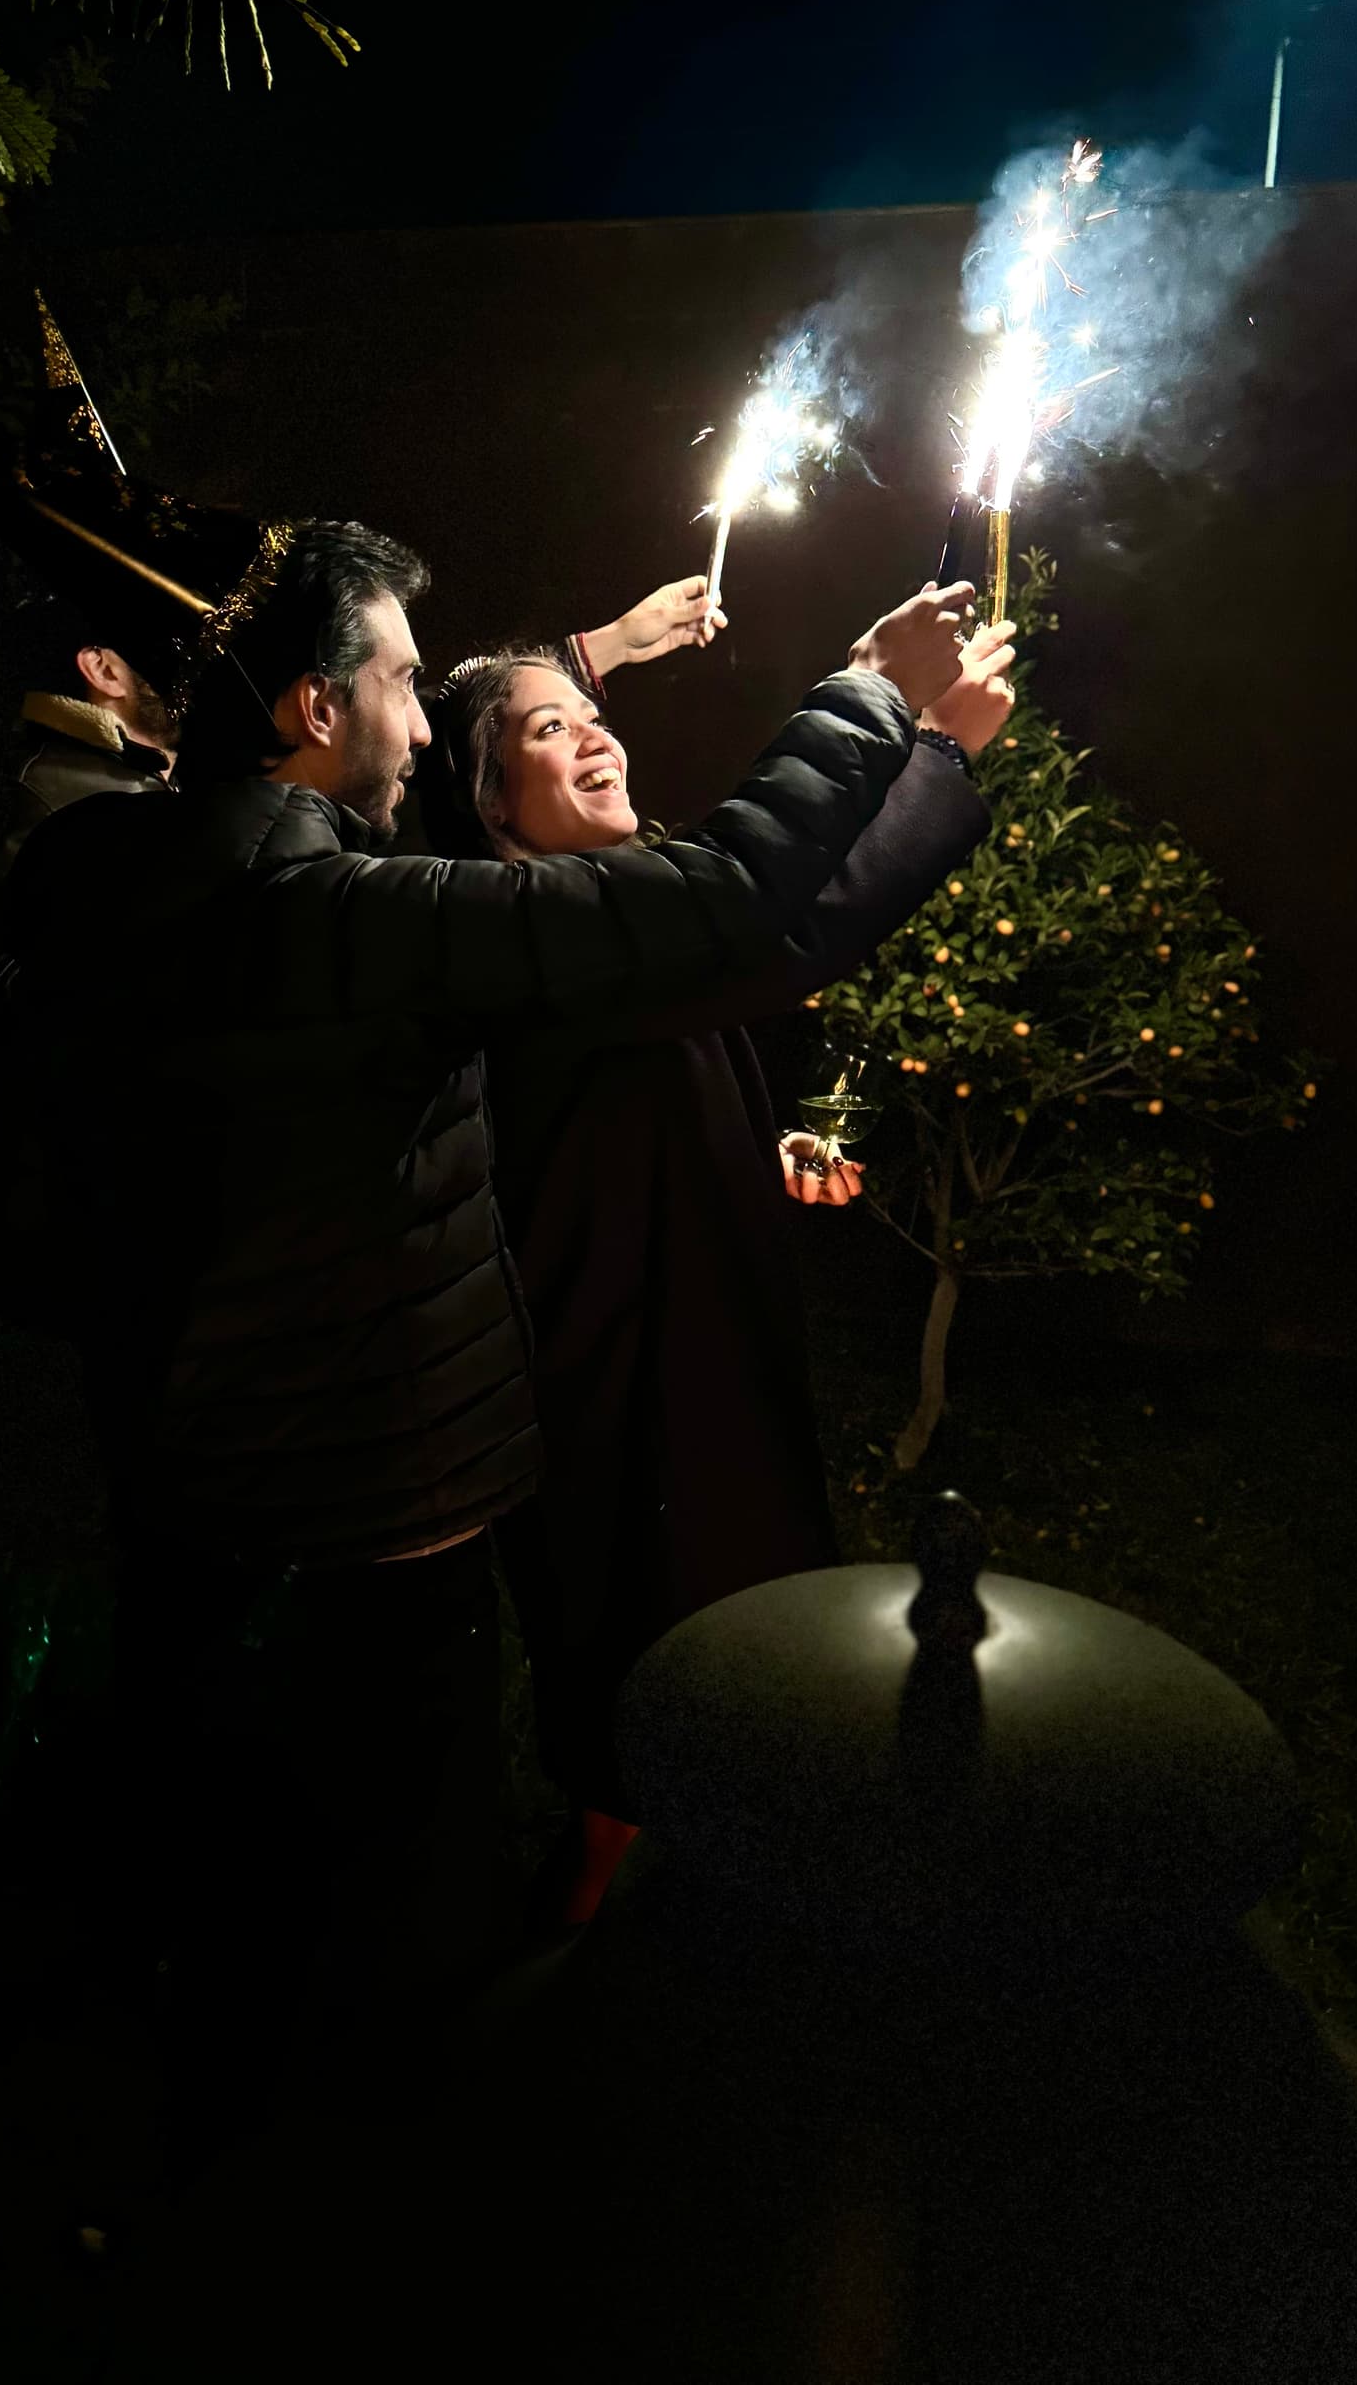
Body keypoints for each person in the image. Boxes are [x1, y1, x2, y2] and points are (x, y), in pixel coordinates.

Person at [0, 464, 972, 2149]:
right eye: (399, 681)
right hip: (363, 1517)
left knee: (282, 1901)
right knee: (382, 1941)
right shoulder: (328, 915)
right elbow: (734, 905)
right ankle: (392, 2209)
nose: (423, 724)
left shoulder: (140, 863)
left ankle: (297, 2145)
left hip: (252, 1496)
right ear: (314, 706)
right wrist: (893, 704)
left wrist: (602, 651)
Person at [414, 616, 1016, 1917]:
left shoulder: (618, 926)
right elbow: (789, 933)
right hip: (624, 1399)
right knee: (657, 1694)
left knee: (721, 1683)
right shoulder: (537, 928)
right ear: (484, 801)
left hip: (697, 1364)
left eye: (592, 714)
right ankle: (584, 1991)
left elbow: (719, 996)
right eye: (547, 726)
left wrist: (760, 1140)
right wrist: (926, 753)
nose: (597, 734)